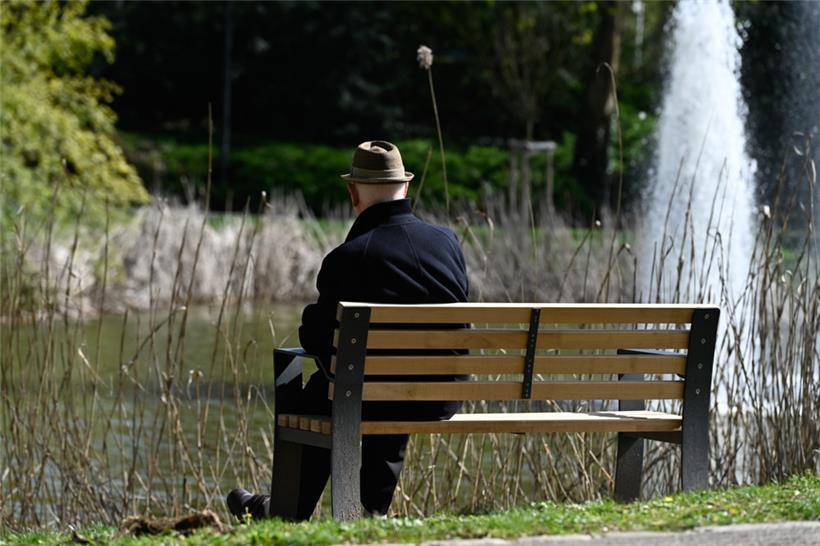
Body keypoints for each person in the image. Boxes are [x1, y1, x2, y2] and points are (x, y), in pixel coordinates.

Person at [227, 140, 469, 520]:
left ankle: (285, 511)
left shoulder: (350, 256)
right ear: (406, 186)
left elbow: (319, 340)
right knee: (378, 384)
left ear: (353, 193)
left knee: (326, 390)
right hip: (440, 397)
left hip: (368, 396)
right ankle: (371, 509)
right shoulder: (447, 243)